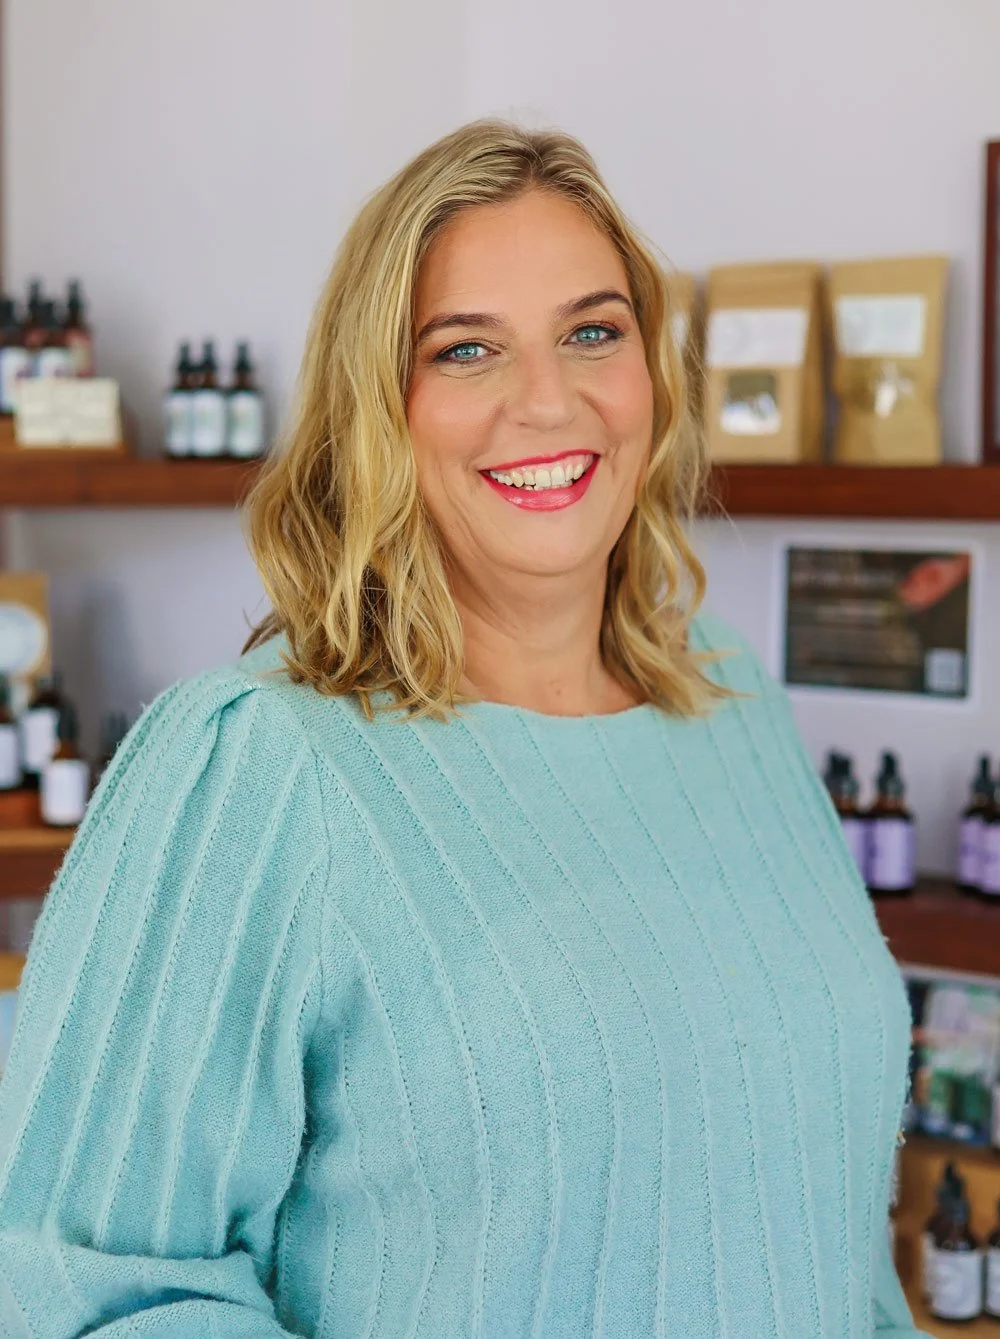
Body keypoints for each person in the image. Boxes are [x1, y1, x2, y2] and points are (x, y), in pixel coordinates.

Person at [0, 121, 923, 1337]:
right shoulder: (256, 764)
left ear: (654, 371)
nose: (548, 398)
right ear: (376, 407)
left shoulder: (732, 705)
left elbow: (823, 1228)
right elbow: (82, 1287)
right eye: (467, 348)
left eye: (594, 330)